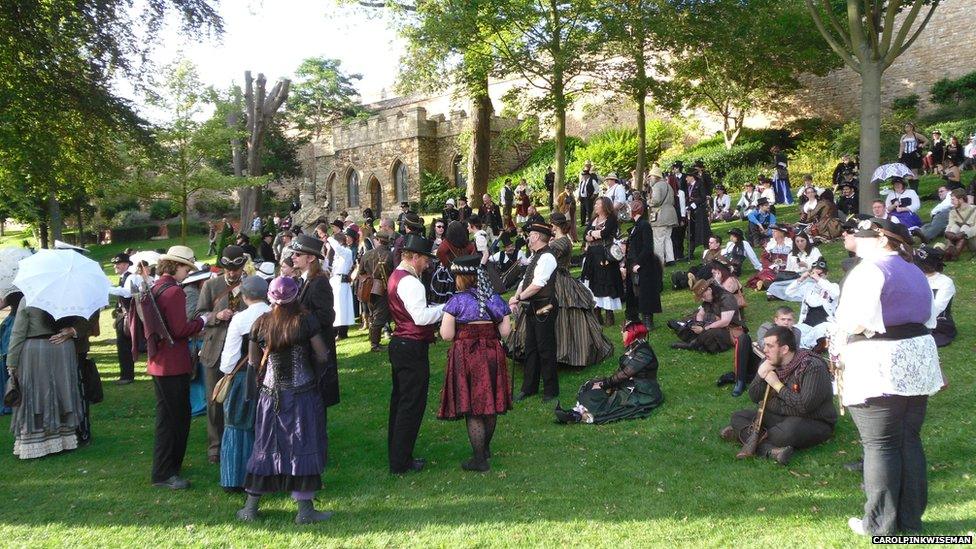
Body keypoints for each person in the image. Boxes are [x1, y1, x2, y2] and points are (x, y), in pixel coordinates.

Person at [832, 217, 943, 536]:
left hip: (879, 360)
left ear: (882, 240)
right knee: (908, 440)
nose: (857, 240)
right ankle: (909, 521)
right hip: (915, 358)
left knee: (880, 444)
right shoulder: (915, 271)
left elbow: (851, 321)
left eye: (864, 235)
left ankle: (881, 525)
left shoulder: (868, 270)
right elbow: (929, 318)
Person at [236, 276, 333, 524]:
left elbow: (254, 362)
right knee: (302, 445)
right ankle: (304, 510)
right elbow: (322, 355)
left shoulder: (260, 323)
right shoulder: (305, 321)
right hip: (302, 394)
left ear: (270, 296)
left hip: (270, 396)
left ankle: (250, 508)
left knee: (266, 446)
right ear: (295, 295)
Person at [437, 255, 512, 472]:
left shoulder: (456, 301)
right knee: (489, 403)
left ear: (461, 278)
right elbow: (505, 332)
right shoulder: (496, 299)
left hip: (467, 356)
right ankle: (485, 449)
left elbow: (447, 335)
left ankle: (479, 459)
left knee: (473, 407)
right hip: (491, 354)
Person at [720, 326, 837, 465]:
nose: (765, 350)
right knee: (738, 416)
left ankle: (744, 435)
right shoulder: (770, 361)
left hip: (813, 420)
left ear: (784, 349)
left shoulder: (812, 367)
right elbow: (754, 396)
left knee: (785, 433)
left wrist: (776, 385)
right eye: (765, 345)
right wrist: (760, 374)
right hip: (781, 415)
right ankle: (770, 451)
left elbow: (804, 406)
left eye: (770, 346)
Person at [147, 246, 207, 488]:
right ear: (175, 266)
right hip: (172, 363)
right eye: (186, 268)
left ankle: (168, 466)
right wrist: (204, 320)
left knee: (170, 417)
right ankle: (164, 473)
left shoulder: (157, 286)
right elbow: (179, 330)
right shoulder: (173, 292)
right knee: (174, 419)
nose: (187, 273)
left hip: (161, 362)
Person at [387, 234, 445, 474]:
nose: (428, 264)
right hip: (410, 346)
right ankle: (401, 461)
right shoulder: (410, 282)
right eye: (426, 259)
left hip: (402, 344)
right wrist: (447, 308)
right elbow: (420, 317)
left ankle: (399, 455)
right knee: (411, 404)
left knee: (401, 401)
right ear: (415, 257)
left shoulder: (398, 276)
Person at [195, 245, 249, 464]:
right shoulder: (210, 285)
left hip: (243, 351)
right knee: (213, 400)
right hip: (213, 349)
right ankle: (214, 447)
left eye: (235, 270)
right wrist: (218, 315)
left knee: (241, 398)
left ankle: (238, 442)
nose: (231, 273)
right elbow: (198, 314)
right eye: (227, 269)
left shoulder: (250, 285)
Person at [218, 275, 270, 493]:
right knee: (268, 427)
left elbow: (229, 361)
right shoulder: (275, 315)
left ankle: (235, 478)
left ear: (245, 297)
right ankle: (270, 476)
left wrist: (227, 373)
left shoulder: (239, 320)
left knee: (238, 426)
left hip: (243, 378)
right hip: (272, 378)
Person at [554, 321, 663, 424]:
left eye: (624, 331)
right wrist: (605, 382)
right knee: (591, 385)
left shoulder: (644, 352)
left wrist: (605, 384)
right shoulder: (635, 347)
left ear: (633, 333)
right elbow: (622, 372)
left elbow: (625, 374)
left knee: (612, 402)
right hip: (629, 383)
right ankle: (576, 411)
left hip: (643, 391)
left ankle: (579, 416)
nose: (621, 333)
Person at [288, 234, 340, 410]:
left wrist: (299, 321)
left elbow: (327, 316)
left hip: (318, 349)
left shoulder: (319, 282)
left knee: (317, 400)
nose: (292, 257)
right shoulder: (302, 280)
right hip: (306, 347)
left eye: (297, 254)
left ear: (310, 258)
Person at [510, 222, 560, 402]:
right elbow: (526, 279)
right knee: (531, 348)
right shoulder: (536, 256)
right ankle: (529, 388)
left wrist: (519, 297)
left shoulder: (547, 257)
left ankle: (550, 391)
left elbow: (538, 284)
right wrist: (516, 296)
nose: (528, 237)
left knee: (545, 349)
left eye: (530, 234)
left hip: (544, 307)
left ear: (538, 237)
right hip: (533, 307)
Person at [720, 307, 801, 397]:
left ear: (793, 321)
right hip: (759, 359)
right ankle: (740, 382)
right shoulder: (766, 327)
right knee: (743, 338)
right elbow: (764, 346)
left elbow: (792, 353)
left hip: (778, 365)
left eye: (789, 320)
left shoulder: (796, 333)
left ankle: (736, 377)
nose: (786, 323)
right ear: (776, 320)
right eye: (783, 319)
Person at [669, 278, 744, 353]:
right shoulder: (708, 299)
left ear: (709, 289)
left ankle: (693, 345)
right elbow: (700, 314)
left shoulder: (726, 298)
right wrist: (699, 324)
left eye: (703, 295)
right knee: (692, 325)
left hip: (731, 330)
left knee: (711, 333)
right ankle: (695, 341)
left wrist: (705, 328)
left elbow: (725, 321)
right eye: (701, 297)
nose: (703, 299)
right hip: (717, 325)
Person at [580, 196, 623, 326]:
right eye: (595, 204)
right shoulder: (594, 219)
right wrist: (594, 233)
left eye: (598, 204)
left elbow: (605, 234)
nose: (595, 206)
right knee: (594, 281)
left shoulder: (611, 219)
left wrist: (592, 234)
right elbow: (585, 235)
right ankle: (597, 313)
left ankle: (609, 315)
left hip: (605, 254)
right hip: (593, 254)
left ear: (605, 206)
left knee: (606, 281)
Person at [623, 200, 663, 329]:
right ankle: (634, 318)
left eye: (630, 209)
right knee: (633, 292)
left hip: (643, 265)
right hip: (633, 262)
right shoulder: (636, 226)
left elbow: (647, 247)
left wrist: (638, 263)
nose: (628, 212)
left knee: (645, 292)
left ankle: (647, 321)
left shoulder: (644, 225)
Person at [181, 267, 211, 418]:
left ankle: (200, 405)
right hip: (195, 340)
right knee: (197, 375)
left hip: (197, 339)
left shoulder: (194, 291)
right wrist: (210, 316)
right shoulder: (191, 293)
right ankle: (198, 407)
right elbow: (191, 315)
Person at [789, 259, 839, 350]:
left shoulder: (832, 286)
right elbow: (789, 292)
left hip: (825, 325)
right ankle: (800, 344)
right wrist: (801, 279)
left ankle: (799, 346)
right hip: (806, 325)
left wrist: (819, 279)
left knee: (821, 329)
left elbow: (836, 293)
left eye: (820, 274)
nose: (816, 277)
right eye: (814, 274)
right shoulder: (808, 287)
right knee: (791, 330)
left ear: (827, 274)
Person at [107, 252, 140, 385]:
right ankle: (125, 374)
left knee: (124, 346)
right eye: (115, 264)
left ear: (126, 264)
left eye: (118, 264)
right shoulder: (124, 277)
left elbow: (127, 293)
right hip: (123, 315)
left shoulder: (131, 277)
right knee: (122, 346)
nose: (115, 266)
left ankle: (127, 375)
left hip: (128, 315)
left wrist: (109, 289)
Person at [359, 230, 394, 352]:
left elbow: (361, 272)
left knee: (374, 315)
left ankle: (374, 341)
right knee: (379, 316)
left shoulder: (367, 254)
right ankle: (374, 344)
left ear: (378, 240)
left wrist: (369, 280)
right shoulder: (390, 255)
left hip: (368, 288)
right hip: (383, 289)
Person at [915, 245, 956, 347]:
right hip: (915, 321)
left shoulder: (945, 282)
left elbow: (938, 307)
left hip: (938, 324)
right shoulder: (915, 278)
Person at [764, 232, 822, 301]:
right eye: (797, 241)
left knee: (805, 286)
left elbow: (819, 267)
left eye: (802, 241)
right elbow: (788, 269)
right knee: (775, 285)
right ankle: (776, 293)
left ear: (806, 241)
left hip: (809, 277)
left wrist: (806, 265)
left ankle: (777, 295)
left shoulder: (814, 251)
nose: (800, 243)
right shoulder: (792, 254)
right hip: (794, 277)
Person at [746, 225, 793, 290]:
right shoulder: (771, 244)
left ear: (782, 232)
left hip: (787, 266)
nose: (773, 233)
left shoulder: (790, 244)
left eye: (775, 231)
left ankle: (766, 284)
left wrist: (784, 262)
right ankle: (768, 283)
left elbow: (795, 258)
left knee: (783, 273)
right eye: (772, 231)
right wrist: (771, 265)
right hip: (773, 267)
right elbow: (764, 258)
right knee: (765, 272)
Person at [329, 229, 356, 339]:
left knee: (341, 307)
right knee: (336, 306)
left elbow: (338, 249)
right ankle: (337, 330)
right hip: (336, 280)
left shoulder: (346, 252)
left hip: (342, 281)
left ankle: (342, 332)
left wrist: (330, 238)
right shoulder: (339, 254)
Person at [648, 164, 677, 264]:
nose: (649, 179)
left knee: (658, 239)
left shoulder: (656, 186)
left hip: (660, 216)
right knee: (668, 238)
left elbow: (656, 201)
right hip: (670, 215)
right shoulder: (668, 186)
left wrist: (648, 202)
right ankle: (670, 259)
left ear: (655, 177)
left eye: (650, 176)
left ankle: (659, 261)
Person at [943, 188, 976, 260]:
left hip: (973, 241)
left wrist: (964, 233)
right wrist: (947, 233)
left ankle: (955, 253)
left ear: (961, 200)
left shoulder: (974, 210)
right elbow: (950, 226)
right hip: (957, 240)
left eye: (953, 200)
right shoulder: (952, 212)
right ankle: (949, 253)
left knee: (964, 227)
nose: (951, 202)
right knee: (954, 226)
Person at [684, 172, 711, 260]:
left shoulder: (700, 185)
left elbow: (703, 198)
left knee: (703, 231)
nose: (686, 179)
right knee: (691, 232)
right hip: (691, 213)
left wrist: (693, 204)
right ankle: (690, 253)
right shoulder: (689, 186)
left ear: (692, 176)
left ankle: (708, 251)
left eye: (687, 177)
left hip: (700, 212)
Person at [898, 123, 927, 188]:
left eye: (908, 127)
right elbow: (901, 146)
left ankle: (915, 189)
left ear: (911, 127)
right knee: (908, 172)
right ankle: (911, 188)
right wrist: (900, 155)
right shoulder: (903, 136)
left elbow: (926, 140)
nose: (906, 128)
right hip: (905, 155)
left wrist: (922, 146)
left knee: (914, 172)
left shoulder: (916, 135)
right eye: (905, 127)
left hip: (913, 154)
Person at [578, 161, 599, 227]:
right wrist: (579, 195)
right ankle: (582, 223)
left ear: (587, 175)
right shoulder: (582, 182)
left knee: (589, 210)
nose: (583, 176)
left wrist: (594, 195)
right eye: (583, 175)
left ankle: (590, 222)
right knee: (582, 211)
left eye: (584, 175)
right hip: (583, 197)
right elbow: (580, 189)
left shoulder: (592, 180)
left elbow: (597, 188)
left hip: (588, 197)